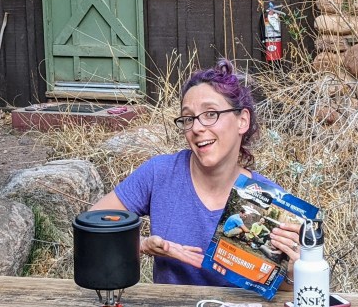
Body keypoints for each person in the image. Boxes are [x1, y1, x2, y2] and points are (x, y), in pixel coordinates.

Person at [89, 59, 301, 286]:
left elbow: (286, 295)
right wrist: (141, 245)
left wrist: (293, 269)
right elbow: (92, 228)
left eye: (211, 114)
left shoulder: (271, 202)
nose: (197, 128)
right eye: (188, 118)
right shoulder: (160, 174)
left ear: (242, 121)